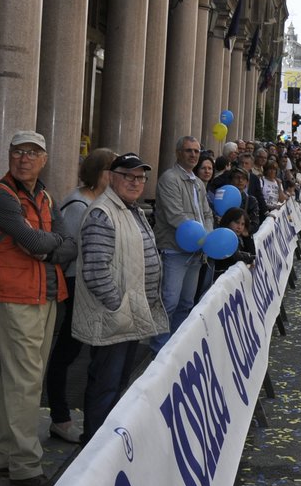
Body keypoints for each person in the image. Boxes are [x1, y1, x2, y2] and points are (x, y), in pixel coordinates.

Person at [0, 131, 78, 486]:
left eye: (32, 153)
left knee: (16, 378)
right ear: (9, 155)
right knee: (26, 381)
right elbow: (35, 241)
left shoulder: (46, 196)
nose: (24, 159)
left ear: (44, 159)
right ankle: (24, 467)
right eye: (18, 152)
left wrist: (47, 248)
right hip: (15, 295)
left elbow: (69, 246)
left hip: (46, 295)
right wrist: (50, 246)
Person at [72, 153, 167, 442]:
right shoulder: (103, 213)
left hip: (129, 316)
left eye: (140, 177)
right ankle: (94, 450)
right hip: (115, 318)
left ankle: (107, 446)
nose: (136, 182)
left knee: (116, 384)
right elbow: (95, 270)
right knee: (106, 385)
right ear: (112, 177)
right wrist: (119, 306)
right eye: (128, 176)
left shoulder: (131, 208)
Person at [44, 147, 116, 444]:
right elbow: (70, 248)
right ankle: (59, 417)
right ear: (100, 173)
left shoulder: (103, 201)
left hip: (92, 284)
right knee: (67, 353)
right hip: (77, 284)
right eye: (113, 170)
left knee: (86, 353)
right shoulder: (77, 204)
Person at [153, 136, 213, 348]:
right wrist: (203, 238)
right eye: (188, 150)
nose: (193, 155)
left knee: (186, 302)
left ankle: (175, 347)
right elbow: (175, 216)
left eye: (196, 151)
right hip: (174, 251)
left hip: (196, 251)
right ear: (178, 153)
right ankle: (159, 348)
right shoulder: (170, 179)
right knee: (168, 302)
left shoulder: (198, 183)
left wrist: (207, 236)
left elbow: (207, 213)